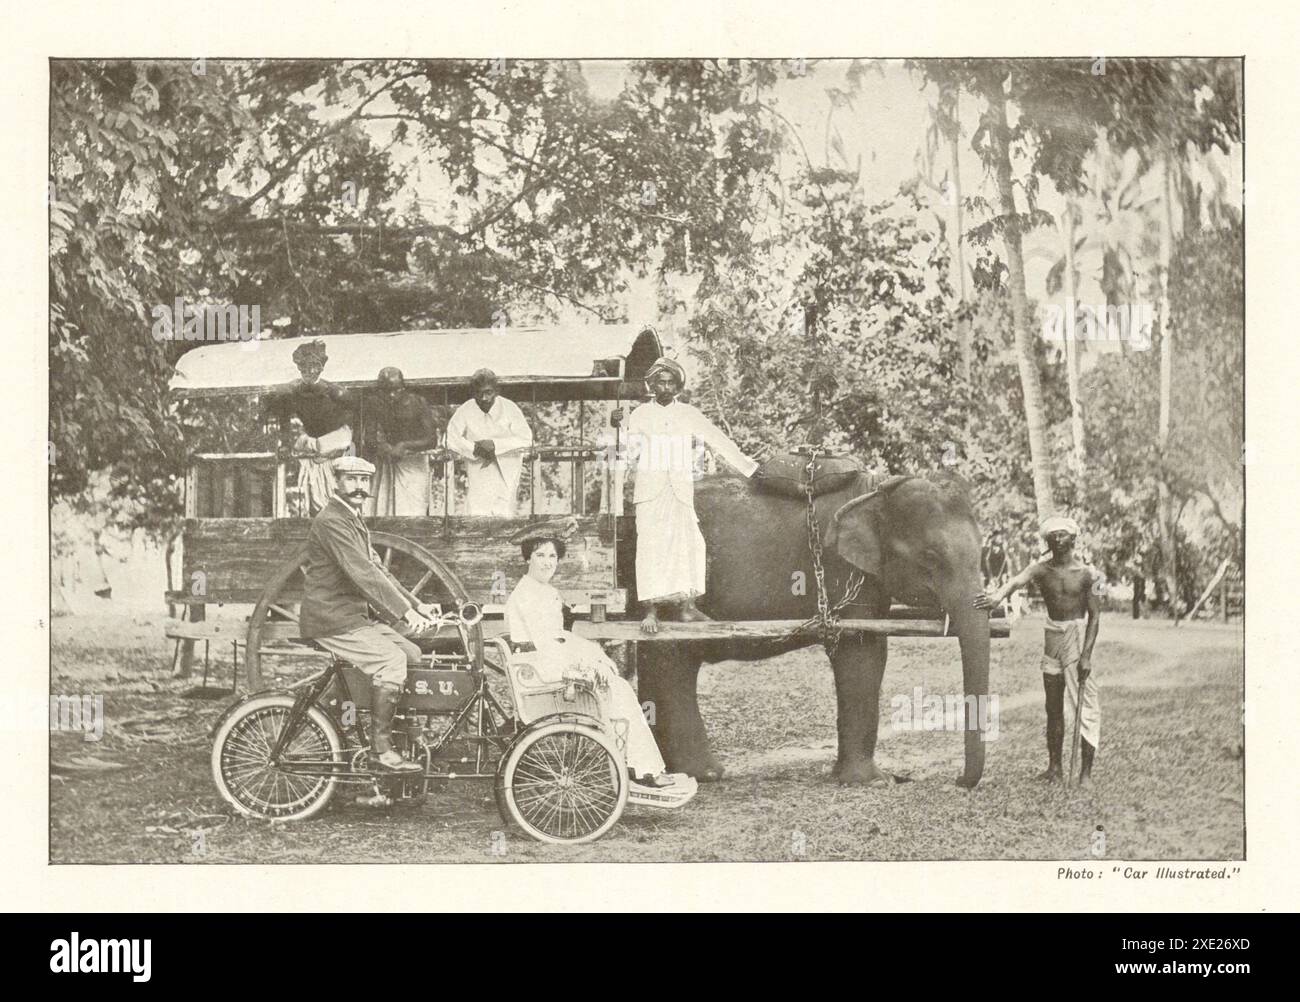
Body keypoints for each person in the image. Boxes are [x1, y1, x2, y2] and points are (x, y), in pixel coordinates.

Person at [503, 525, 697, 805]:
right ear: (527, 559)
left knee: (619, 689)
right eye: (540, 555)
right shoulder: (528, 595)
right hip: (546, 674)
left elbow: (560, 638)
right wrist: (587, 664)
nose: (547, 562)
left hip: (548, 664)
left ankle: (641, 768)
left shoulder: (543, 591)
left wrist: (593, 655)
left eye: (552, 557)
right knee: (619, 692)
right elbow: (548, 644)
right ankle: (643, 771)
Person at [299, 455, 442, 774]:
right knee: (392, 660)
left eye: (364, 481)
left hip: (352, 617)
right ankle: (380, 750)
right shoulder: (332, 520)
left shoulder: (352, 518)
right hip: (332, 618)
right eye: (351, 480)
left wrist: (414, 604)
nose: (359, 487)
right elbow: (362, 573)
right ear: (336, 482)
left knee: (411, 653)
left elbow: (378, 568)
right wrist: (403, 612)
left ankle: (402, 737)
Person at [621, 357, 757, 633]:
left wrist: (750, 469)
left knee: (691, 543)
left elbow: (718, 440)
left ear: (678, 385)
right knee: (650, 546)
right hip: (650, 490)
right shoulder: (639, 415)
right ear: (652, 384)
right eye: (661, 381)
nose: (666, 387)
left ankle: (687, 607)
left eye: (672, 382)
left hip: (681, 489)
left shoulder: (688, 413)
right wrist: (619, 428)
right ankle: (651, 610)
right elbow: (625, 452)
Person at [974, 515, 1102, 785]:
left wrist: (1087, 656)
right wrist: (997, 596)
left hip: (1077, 636)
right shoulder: (1041, 569)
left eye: (1062, 534)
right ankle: (1054, 768)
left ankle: (1085, 773)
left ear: (1073, 538)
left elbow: (1095, 617)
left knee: (1086, 706)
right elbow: (1016, 582)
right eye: (1052, 534)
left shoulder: (1090, 574)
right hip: (1052, 635)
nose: (1057, 538)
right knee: (1052, 706)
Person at [264, 339, 355, 515]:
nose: (311, 371)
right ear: (299, 368)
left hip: (337, 444)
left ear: (322, 368)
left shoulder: (335, 392)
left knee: (340, 496)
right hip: (313, 450)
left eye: (315, 366)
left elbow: (356, 412)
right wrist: (284, 443)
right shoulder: (293, 392)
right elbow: (284, 415)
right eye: (305, 366)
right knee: (314, 497)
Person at [446, 368, 533, 516]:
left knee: (503, 513)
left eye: (488, 392)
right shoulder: (466, 410)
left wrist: (495, 445)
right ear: (473, 393)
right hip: (478, 468)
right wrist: (475, 448)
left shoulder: (510, 408)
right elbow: (450, 438)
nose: (484, 398)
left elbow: (526, 439)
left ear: (496, 391)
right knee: (477, 511)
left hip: (506, 468)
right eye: (479, 393)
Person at [365, 367, 439, 516]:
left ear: (403, 387)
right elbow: (369, 438)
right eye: (386, 391)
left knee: (413, 511)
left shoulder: (417, 402)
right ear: (380, 391)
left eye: (396, 390)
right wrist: (382, 447)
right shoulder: (375, 404)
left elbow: (432, 439)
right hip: (389, 461)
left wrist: (404, 445)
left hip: (414, 464)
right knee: (386, 510)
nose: (391, 395)